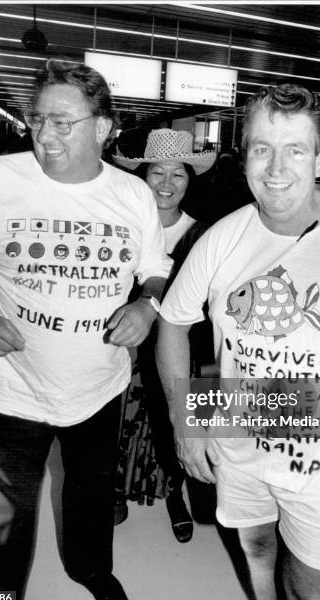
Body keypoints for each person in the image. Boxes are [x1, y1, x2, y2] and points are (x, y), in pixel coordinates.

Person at [155, 83, 320, 600]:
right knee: (256, 551)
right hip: (239, 449)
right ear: (244, 156)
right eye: (262, 149)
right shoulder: (220, 239)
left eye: (295, 149)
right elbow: (171, 324)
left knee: (315, 597)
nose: (276, 168)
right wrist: (188, 427)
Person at [0, 58, 172, 600]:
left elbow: (155, 267)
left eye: (62, 122)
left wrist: (147, 304)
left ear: (102, 128)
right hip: (10, 385)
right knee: (3, 507)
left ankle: (90, 567)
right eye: (37, 119)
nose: (44, 135)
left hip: (99, 385)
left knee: (91, 490)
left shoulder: (132, 195)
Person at [112, 129, 215, 542]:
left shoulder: (202, 235)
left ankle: (173, 493)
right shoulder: (121, 225)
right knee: (118, 419)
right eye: (157, 173)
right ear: (142, 176)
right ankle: (115, 488)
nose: (167, 184)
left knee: (169, 420)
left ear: (191, 180)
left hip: (175, 347)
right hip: (125, 343)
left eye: (179, 174)